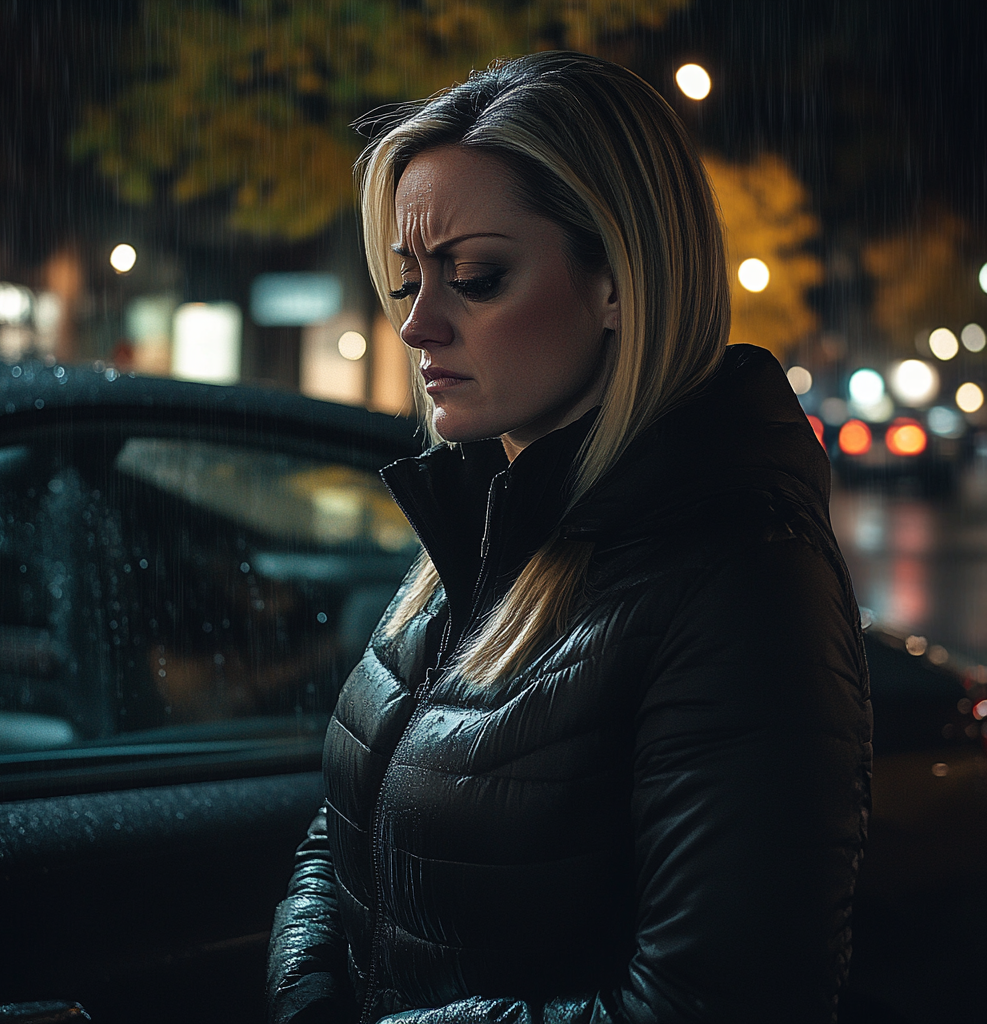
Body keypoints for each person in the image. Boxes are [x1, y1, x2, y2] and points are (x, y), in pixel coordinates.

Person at [267, 51, 872, 1024]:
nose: (417, 324)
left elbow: (716, 1005)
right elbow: (346, 827)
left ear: (618, 283)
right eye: (406, 278)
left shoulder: (739, 579)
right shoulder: (472, 528)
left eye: (474, 276)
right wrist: (306, 996)